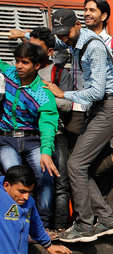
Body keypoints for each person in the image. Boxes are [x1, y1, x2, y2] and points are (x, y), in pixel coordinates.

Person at [44, 8, 113, 243]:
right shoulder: (71, 38)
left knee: (76, 164)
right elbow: (55, 42)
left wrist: (64, 93)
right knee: (80, 166)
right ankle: (107, 220)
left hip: (109, 108)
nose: (64, 38)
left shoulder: (95, 48)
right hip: (99, 110)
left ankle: (85, 225)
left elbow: (97, 92)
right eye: (60, 34)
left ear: (77, 24)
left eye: (66, 33)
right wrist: (24, 36)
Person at [0, 42, 59, 229]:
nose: (18, 66)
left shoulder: (43, 93)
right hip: (6, 140)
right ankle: (16, 225)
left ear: (37, 66)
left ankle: (43, 226)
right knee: (15, 178)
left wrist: (46, 152)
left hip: (32, 141)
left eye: (24, 62)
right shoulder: (8, 74)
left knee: (46, 176)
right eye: (17, 61)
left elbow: (48, 124)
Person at [25, 27, 75, 235]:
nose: (32, 51)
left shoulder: (60, 72)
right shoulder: (24, 71)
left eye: (37, 47)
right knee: (36, 183)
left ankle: (60, 227)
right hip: (30, 136)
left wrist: (44, 100)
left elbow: (68, 103)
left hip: (56, 134)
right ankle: (37, 227)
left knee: (61, 181)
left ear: (50, 51)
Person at [83, 0, 113, 74]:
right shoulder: (77, 40)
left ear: (103, 16)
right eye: (85, 10)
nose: (86, 13)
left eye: (92, 10)